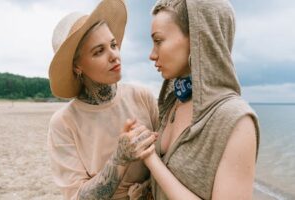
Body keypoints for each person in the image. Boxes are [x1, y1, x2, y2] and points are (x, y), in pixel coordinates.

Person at [139, 0, 260, 199]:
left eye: (158, 40)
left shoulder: (236, 121)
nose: (152, 55)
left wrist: (151, 159)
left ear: (199, 38)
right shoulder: (172, 103)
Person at [47, 0, 158, 199]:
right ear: (77, 67)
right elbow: (79, 196)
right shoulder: (63, 123)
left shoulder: (143, 97)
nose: (114, 56)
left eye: (113, 45)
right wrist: (119, 158)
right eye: (99, 51)